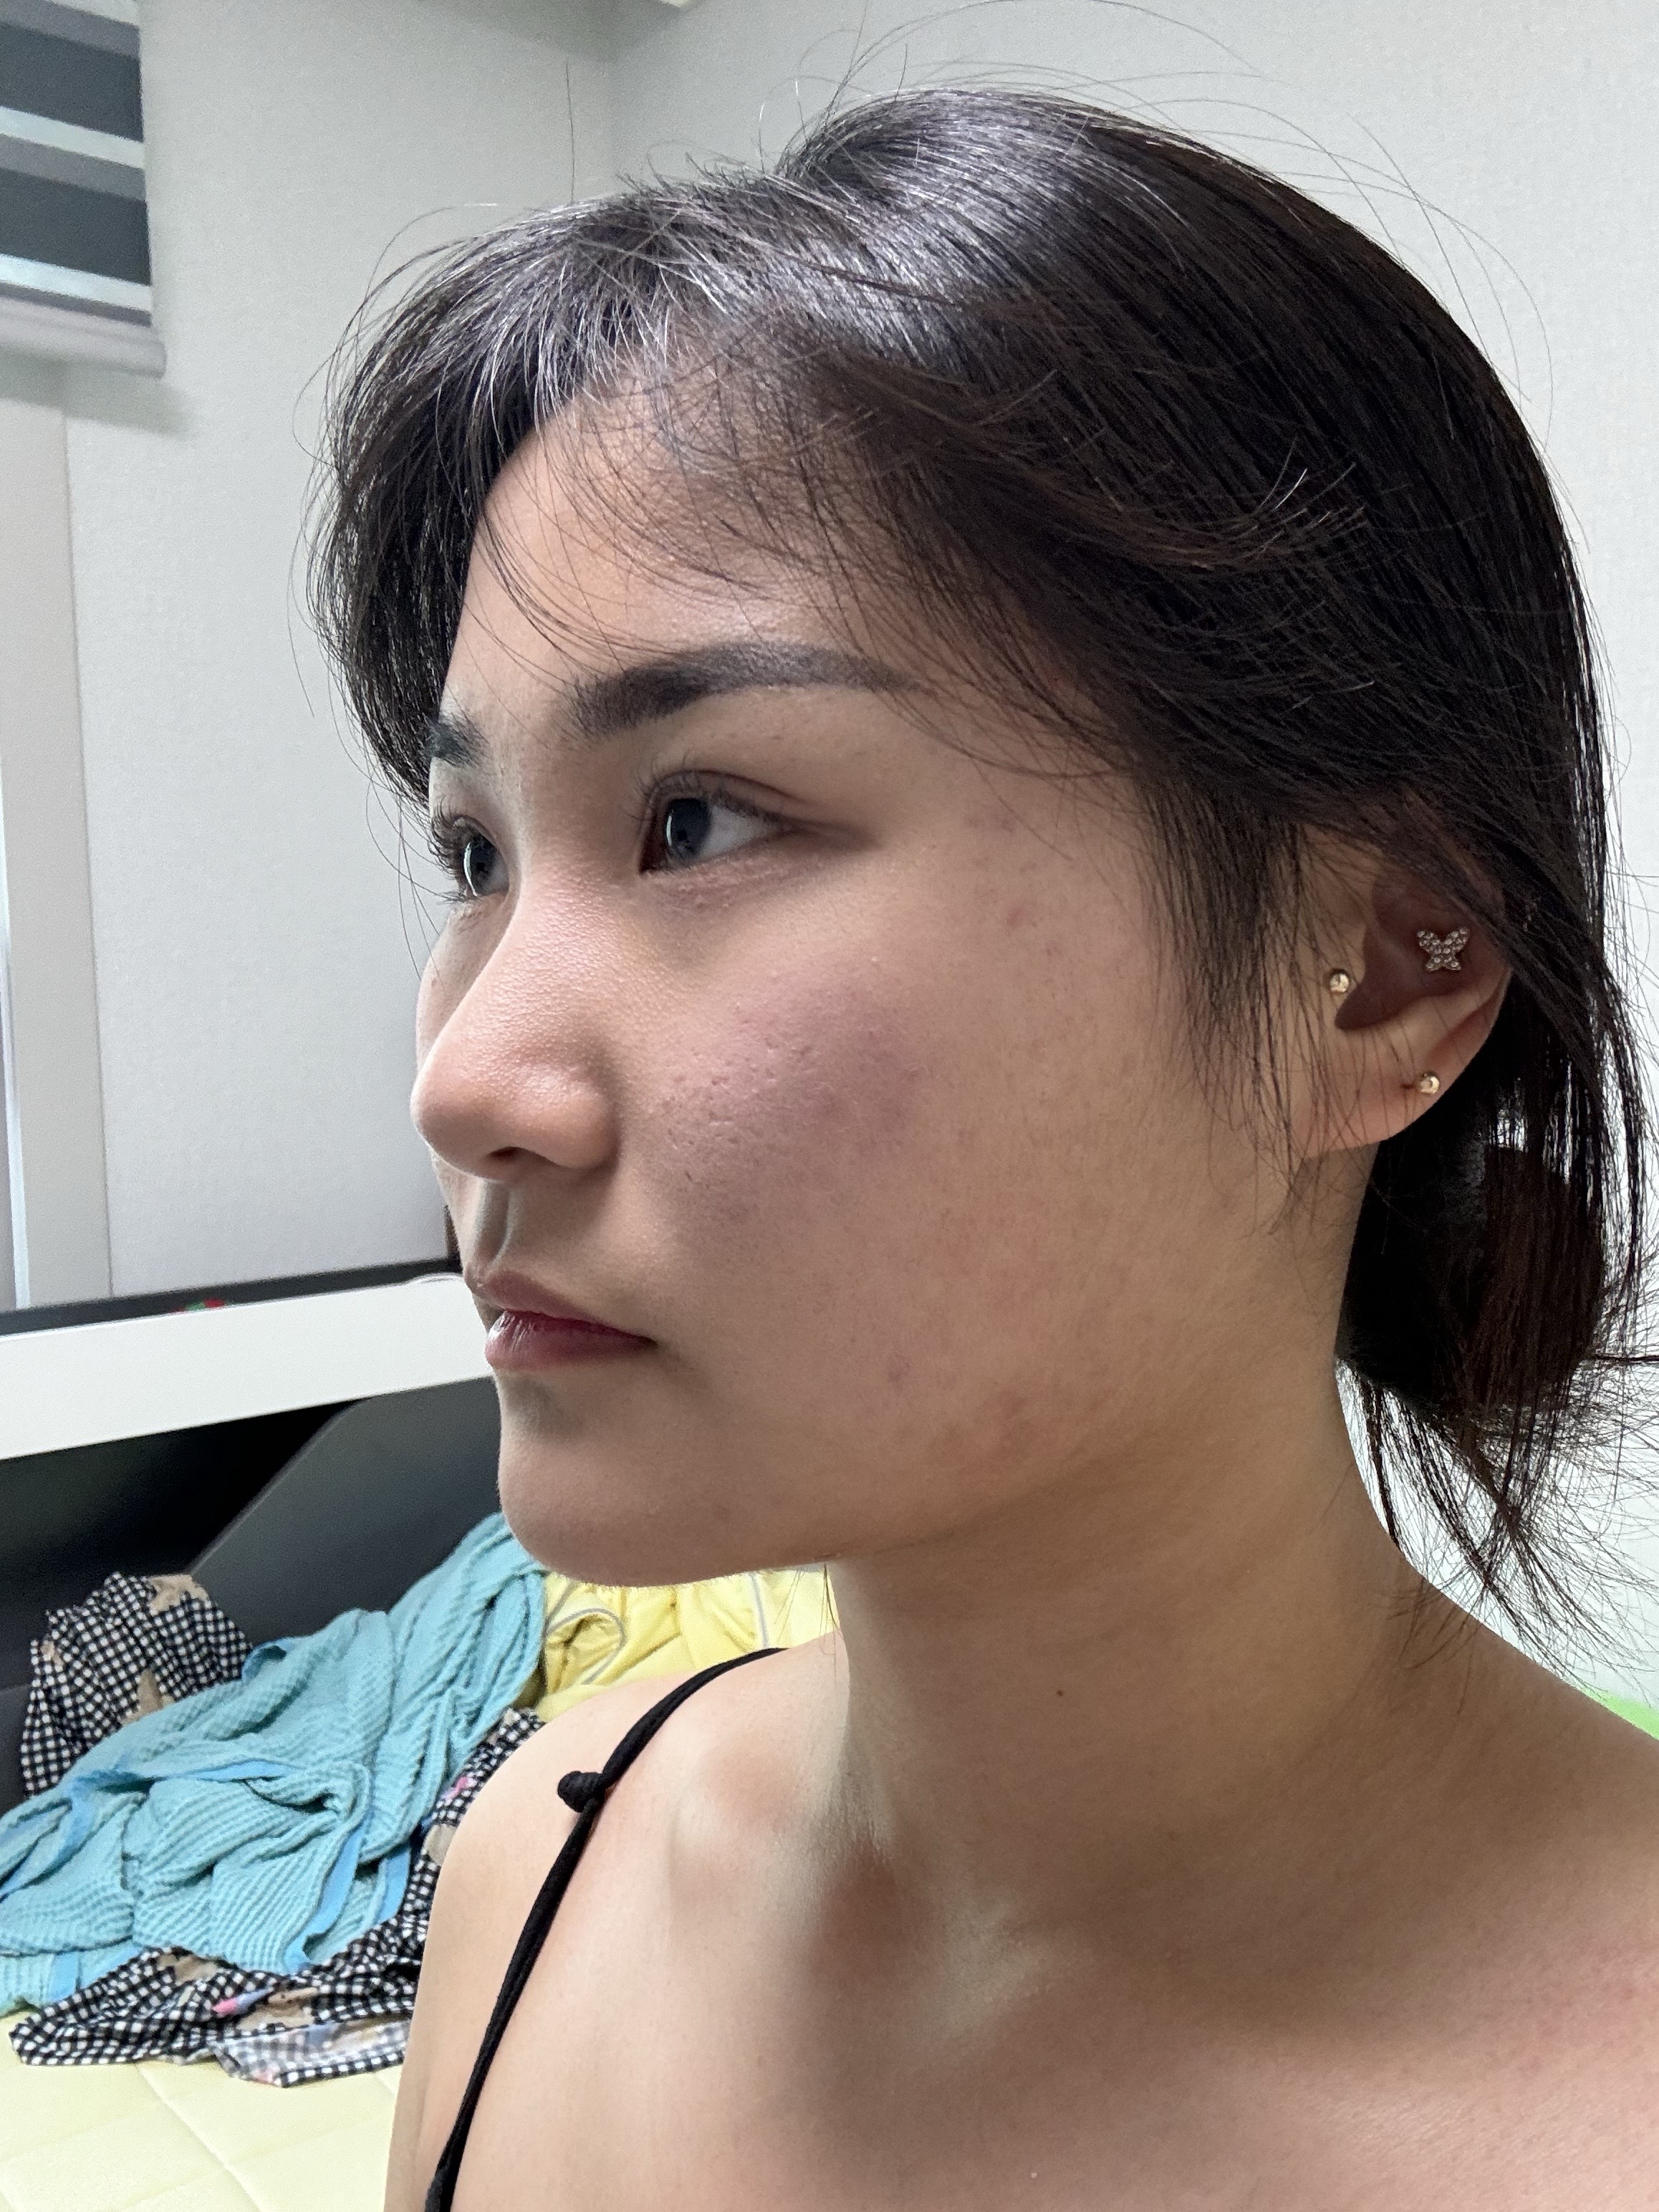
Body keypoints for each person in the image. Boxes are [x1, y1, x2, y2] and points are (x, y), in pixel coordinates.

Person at [309, 87, 1659, 2208]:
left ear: (1380, 981)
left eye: (698, 821)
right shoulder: (544, 1876)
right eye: (474, 852)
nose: (464, 1082)